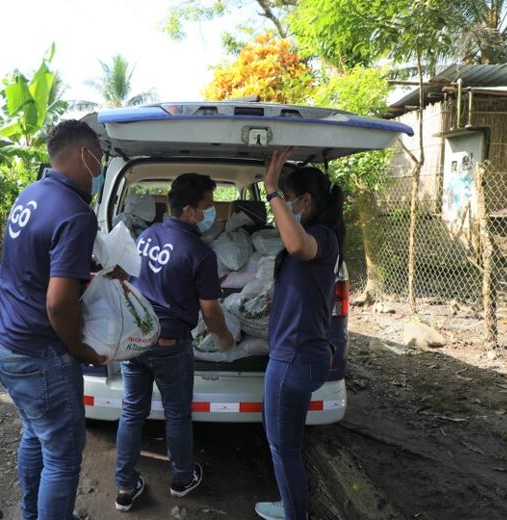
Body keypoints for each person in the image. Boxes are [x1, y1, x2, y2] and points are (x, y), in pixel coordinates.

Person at [0, 119, 107, 520]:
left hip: (0, 339)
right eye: (100, 159)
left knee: (36, 433)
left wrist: (92, 273)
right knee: (64, 457)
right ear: (84, 155)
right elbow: (57, 305)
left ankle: (31, 513)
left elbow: (37, 262)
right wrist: (79, 348)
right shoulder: (77, 213)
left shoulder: (31, 193)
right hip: (38, 353)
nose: (101, 168)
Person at [114, 173, 235, 512]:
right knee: (177, 414)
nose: (211, 213)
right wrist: (225, 340)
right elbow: (210, 310)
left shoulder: (148, 235)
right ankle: (182, 478)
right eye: (208, 207)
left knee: (131, 411)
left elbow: (135, 278)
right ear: (189, 210)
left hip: (135, 340)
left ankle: (125, 487)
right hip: (170, 345)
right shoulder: (199, 253)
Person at [254, 148, 344, 520]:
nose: (283, 207)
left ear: (305, 201)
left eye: (289, 201)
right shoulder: (315, 234)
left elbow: (295, 245)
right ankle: (292, 505)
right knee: (283, 441)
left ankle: (295, 514)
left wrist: (271, 190)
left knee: (283, 446)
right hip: (297, 354)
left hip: (294, 358)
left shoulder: (320, 237)